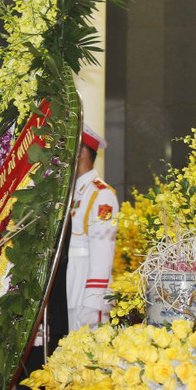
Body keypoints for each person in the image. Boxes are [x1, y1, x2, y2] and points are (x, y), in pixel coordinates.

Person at [4, 124, 118, 390]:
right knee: (34, 385)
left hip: (75, 313)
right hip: (49, 312)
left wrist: (89, 317)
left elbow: (100, 266)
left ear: (82, 154)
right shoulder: (60, 198)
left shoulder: (100, 197)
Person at [66, 124, 119, 331]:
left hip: (85, 291)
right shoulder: (73, 192)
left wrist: (94, 303)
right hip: (70, 285)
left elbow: (102, 254)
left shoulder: (100, 194)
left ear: (81, 151)